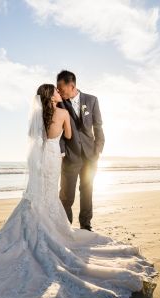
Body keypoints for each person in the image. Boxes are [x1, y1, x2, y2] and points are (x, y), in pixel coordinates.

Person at [0, 83, 158, 298]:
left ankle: (34, 226)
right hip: (52, 157)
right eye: (57, 92)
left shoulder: (37, 116)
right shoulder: (63, 113)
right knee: (50, 194)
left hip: (39, 159)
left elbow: (33, 138)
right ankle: (51, 229)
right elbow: (68, 136)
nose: (60, 94)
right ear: (51, 96)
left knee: (36, 195)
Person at [57, 70, 104, 231]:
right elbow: (59, 132)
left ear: (72, 86)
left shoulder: (92, 100)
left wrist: (98, 150)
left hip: (91, 156)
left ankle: (86, 225)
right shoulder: (59, 103)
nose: (60, 92)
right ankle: (65, 227)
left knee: (87, 192)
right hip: (70, 157)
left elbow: (98, 127)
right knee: (66, 196)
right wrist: (62, 152)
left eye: (62, 89)